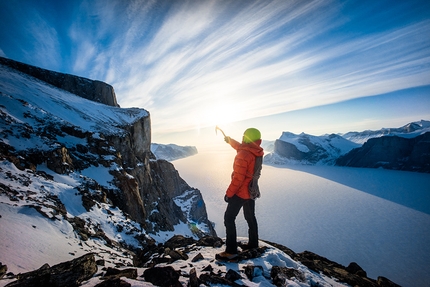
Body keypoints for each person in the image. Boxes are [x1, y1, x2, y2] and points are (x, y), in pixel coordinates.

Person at [216, 128, 264, 260]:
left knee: (229, 218)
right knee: (250, 217)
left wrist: (229, 194)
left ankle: (231, 251)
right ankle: (253, 244)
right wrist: (230, 141)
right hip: (251, 191)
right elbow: (243, 148)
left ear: (245, 138)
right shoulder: (258, 152)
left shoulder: (243, 154)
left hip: (241, 192)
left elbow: (238, 178)